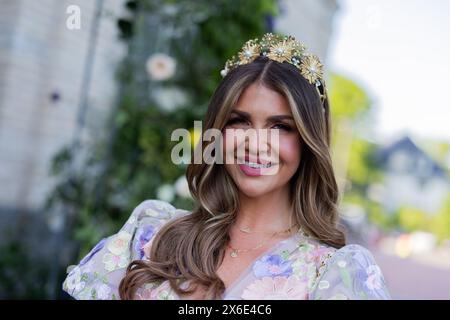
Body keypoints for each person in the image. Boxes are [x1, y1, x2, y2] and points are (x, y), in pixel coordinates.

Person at [62, 33, 391, 300]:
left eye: (280, 127)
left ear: (308, 141)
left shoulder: (334, 274)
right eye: (239, 122)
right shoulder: (151, 234)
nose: (255, 143)